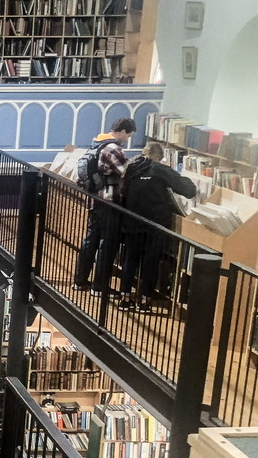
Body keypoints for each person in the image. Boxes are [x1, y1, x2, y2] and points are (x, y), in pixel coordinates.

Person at [117, 141, 196, 312]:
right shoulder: (160, 170)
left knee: (131, 259)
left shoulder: (131, 168)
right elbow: (189, 190)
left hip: (132, 221)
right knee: (151, 261)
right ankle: (144, 300)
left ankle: (124, 297)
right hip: (155, 224)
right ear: (160, 157)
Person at [72, 117, 137, 293]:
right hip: (109, 201)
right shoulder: (113, 148)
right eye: (128, 135)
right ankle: (99, 286)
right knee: (107, 243)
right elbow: (126, 170)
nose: (127, 139)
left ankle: (80, 281)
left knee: (90, 241)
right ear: (122, 131)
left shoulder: (96, 143)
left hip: (94, 200)